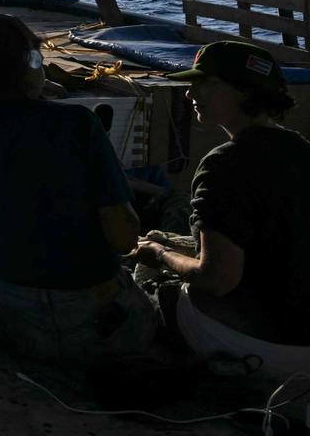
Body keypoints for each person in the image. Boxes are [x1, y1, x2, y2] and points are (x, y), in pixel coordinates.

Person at [0, 14, 153, 364]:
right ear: (28, 66)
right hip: (99, 323)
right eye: (38, 59)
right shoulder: (78, 124)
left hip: (13, 320)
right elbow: (124, 238)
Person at [130, 41, 310, 378]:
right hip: (302, 332)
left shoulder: (224, 165)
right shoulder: (301, 149)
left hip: (266, 346)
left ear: (243, 91)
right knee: (161, 239)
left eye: (205, 83)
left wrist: (159, 255)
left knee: (146, 285)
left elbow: (217, 280)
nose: (189, 94)